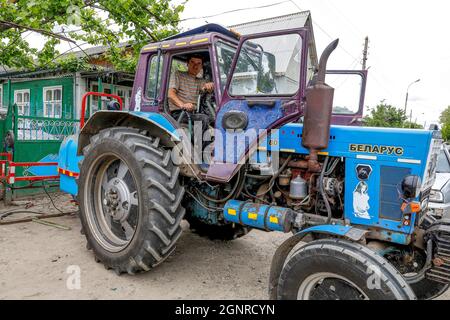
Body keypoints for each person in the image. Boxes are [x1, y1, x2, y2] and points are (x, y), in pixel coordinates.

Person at [168, 54, 214, 131]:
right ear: (187, 64)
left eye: (198, 63)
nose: (195, 66)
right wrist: (183, 105)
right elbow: (170, 94)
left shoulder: (200, 81)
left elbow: (205, 88)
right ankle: (199, 143)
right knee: (203, 119)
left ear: (201, 66)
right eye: (192, 62)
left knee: (213, 119)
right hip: (179, 112)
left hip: (193, 113)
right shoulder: (178, 75)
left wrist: (210, 86)